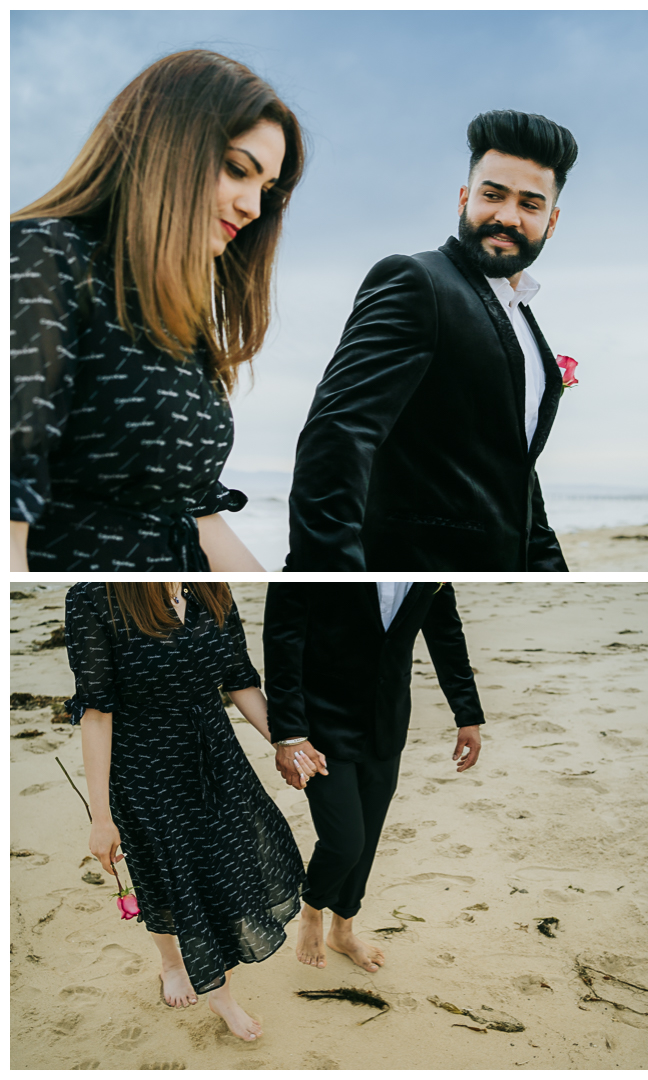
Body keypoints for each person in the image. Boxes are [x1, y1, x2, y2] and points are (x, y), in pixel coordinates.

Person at [11, 50, 304, 572]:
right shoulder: (39, 257)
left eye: (267, 190)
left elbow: (194, 514)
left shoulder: (176, 315)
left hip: (186, 613)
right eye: (238, 170)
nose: (253, 207)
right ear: (166, 146)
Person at [285, 109, 578, 571]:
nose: (507, 216)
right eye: (492, 195)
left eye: (530, 203)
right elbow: (337, 439)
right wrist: (333, 579)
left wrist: (548, 570)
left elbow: (515, 472)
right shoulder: (417, 281)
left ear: (552, 220)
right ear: (464, 198)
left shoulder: (522, 318)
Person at [64, 581, 311, 1040]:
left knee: (230, 865)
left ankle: (216, 985)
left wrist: (288, 742)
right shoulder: (94, 598)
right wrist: (101, 817)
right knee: (167, 875)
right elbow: (97, 710)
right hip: (144, 765)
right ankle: (176, 966)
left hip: (215, 754)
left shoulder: (210, 588)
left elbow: (239, 678)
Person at [262, 582, 484, 971]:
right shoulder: (324, 550)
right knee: (345, 841)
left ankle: (343, 930)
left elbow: (446, 634)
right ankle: (312, 911)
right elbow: (282, 640)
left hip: (387, 722)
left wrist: (467, 714)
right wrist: (290, 735)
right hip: (320, 727)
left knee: (367, 836)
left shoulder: (431, 564)